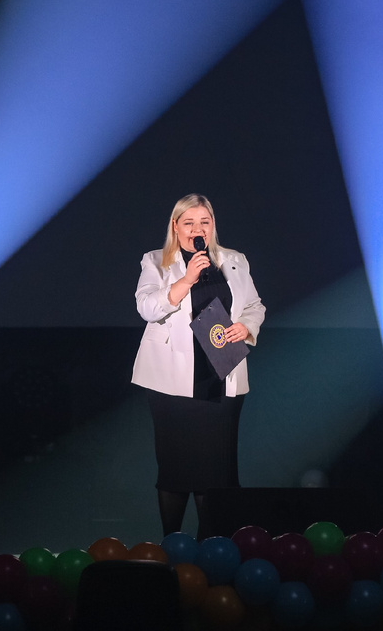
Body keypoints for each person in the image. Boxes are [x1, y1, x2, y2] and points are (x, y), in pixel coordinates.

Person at [132, 194, 266, 538]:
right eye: (189, 222)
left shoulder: (234, 260)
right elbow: (147, 308)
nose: (197, 229)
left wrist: (246, 327)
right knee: (176, 469)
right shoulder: (156, 261)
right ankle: (172, 544)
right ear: (175, 227)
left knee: (217, 472)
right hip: (172, 383)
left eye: (204, 222)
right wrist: (186, 280)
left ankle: (212, 545)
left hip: (222, 374)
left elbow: (254, 305)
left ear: (213, 225)